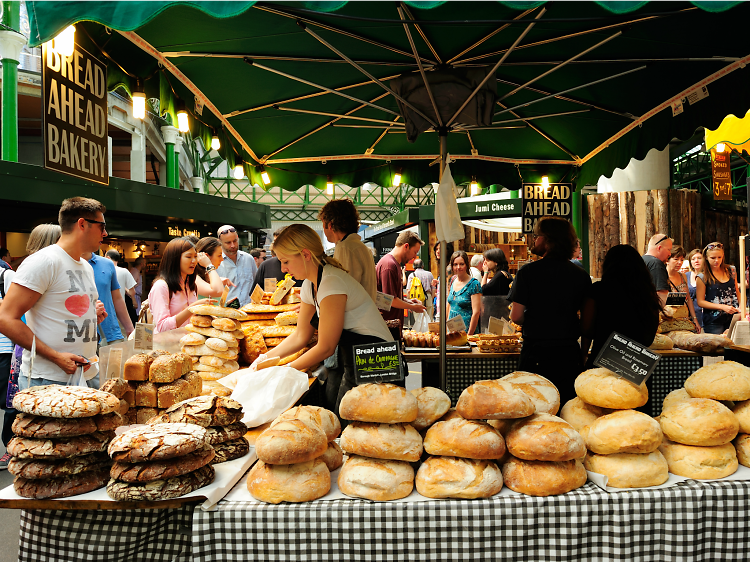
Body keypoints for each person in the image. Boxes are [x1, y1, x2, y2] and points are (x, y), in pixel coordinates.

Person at [249, 224, 393, 416]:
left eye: (286, 261)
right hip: (356, 356)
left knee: (357, 426)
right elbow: (301, 335)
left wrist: (284, 369)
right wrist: (265, 359)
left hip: (377, 358)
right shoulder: (310, 284)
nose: (283, 269)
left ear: (306, 255)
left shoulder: (331, 282)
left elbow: (326, 347)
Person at [0, 198, 108, 392]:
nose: (106, 233)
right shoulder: (44, 261)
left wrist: (91, 318)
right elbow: (5, 319)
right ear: (82, 224)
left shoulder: (85, 266)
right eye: (102, 227)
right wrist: (55, 357)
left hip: (87, 374)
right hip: (48, 379)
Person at [509, 217, 591, 407]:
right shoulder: (580, 275)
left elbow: (516, 316)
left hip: (535, 353)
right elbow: (587, 323)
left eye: (537, 236)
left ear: (549, 240)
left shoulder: (528, 273)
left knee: (533, 407)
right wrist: (584, 353)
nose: (534, 240)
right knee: (567, 408)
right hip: (568, 353)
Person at [581, 244, 662, 369]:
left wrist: (583, 355)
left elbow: (587, 329)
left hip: (602, 360)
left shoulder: (598, 290)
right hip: (635, 364)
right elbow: (649, 337)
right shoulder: (646, 293)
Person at [148, 237, 225, 333]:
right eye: (189, 257)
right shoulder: (161, 286)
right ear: (174, 259)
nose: (194, 261)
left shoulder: (191, 285)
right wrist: (194, 307)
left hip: (189, 342)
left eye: (195, 256)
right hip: (167, 345)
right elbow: (162, 327)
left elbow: (191, 320)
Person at [319, 198, 377, 301]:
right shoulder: (358, 246)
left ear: (330, 225)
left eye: (323, 224)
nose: (323, 229)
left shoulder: (345, 247)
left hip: (353, 315)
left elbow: (343, 292)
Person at [376, 231, 427, 340]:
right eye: (414, 252)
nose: (414, 257)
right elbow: (391, 300)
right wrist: (412, 307)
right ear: (406, 246)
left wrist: (409, 301)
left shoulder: (392, 264)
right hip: (387, 328)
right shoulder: (389, 265)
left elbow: (391, 297)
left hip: (390, 326)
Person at [83, 249, 133, 347]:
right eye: (101, 231)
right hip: (80, 336)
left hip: (111, 334)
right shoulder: (64, 263)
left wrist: (130, 329)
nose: (104, 233)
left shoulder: (107, 264)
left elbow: (117, 298)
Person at [696, 242, 740, 335]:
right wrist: (722, 307)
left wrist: (742, 308)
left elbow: (737, 291)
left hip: (733, 316)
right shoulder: (702, 276)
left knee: (734, 345)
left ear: (723, 256)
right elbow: (700, 302)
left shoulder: (731, 270)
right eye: (713, 258)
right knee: (718, 346)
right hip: (713, 320)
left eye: (719, 257)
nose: (716, 260)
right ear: (706, 258)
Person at [216, 224, 257, 308]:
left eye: (235, 241)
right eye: (228, 242)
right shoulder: (216, 262)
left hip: (249, 311)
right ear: (219, 242)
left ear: (238, 238)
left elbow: (256, 284)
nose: (233, 245)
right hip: (227, 312)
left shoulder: (248, 259)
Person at [666, 245, 701, 332]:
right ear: (667, 260)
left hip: (685, 320)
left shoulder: (683, 276)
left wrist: (695, 319)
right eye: (676, 259)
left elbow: (688, 299)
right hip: (669, 321)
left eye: (682, 260)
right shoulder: (662, 277)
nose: (679, 262)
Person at [446, 251, 482, 335]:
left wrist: (469, 335)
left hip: (466, 332)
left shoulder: (474, 284)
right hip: (451, 332)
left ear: (466, 265)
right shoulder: (452, 280)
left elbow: (476, 312)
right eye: (455, 264)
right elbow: (449, 305)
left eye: (461, 264)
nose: (458, 267)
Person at [105, 250, 137, 327]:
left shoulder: (103, 271)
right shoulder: (124, 271)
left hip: (105, 309)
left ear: (108, 258)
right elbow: (132, 292)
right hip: (120, 309)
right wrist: (125, 289)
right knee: (122, 335)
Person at [643, 233, 673, 305]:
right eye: (669, 250)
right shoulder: (656, 264)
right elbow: (661, 294)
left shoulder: (641, 260)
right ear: (659, 248)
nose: (670, 254)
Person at [686, 248, 704, 329]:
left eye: (699, 258)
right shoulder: (686, 276)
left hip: (703, 314)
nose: (696, 261)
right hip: (689, 315)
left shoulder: (708, 276)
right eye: (693, 259)